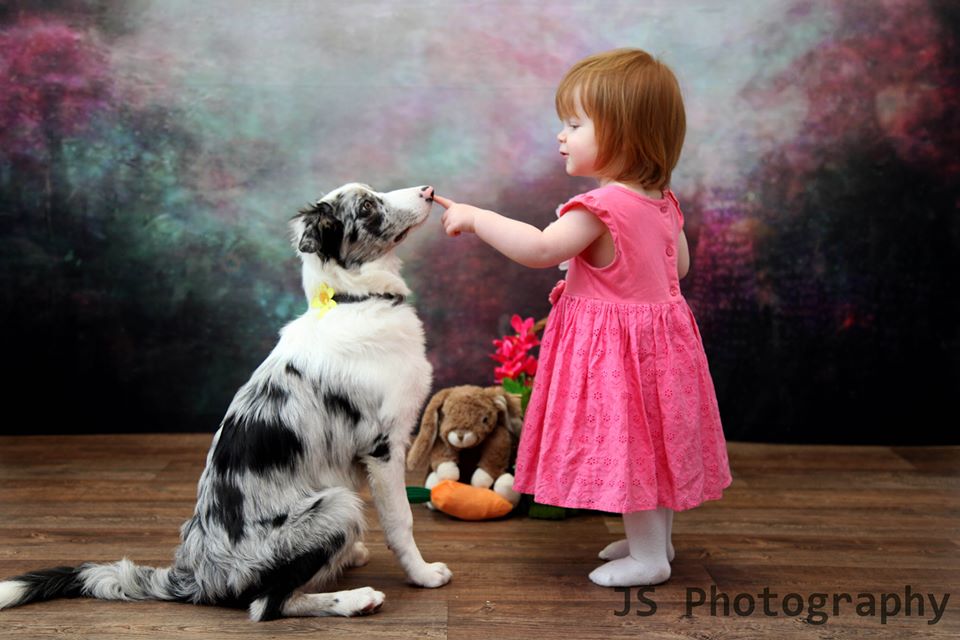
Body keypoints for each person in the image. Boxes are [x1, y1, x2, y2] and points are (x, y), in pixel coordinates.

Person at [435, 48, 732, 587]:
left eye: (574, 124)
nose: (561, 135)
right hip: (664, 348)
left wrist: (477, 218)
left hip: (616, 354)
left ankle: (649, 559)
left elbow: (540, 249)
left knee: (631, 448)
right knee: (654, 445)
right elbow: (679, 267)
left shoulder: (601, 209)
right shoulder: (663, 201)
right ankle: (655, 540)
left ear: (624, 134)